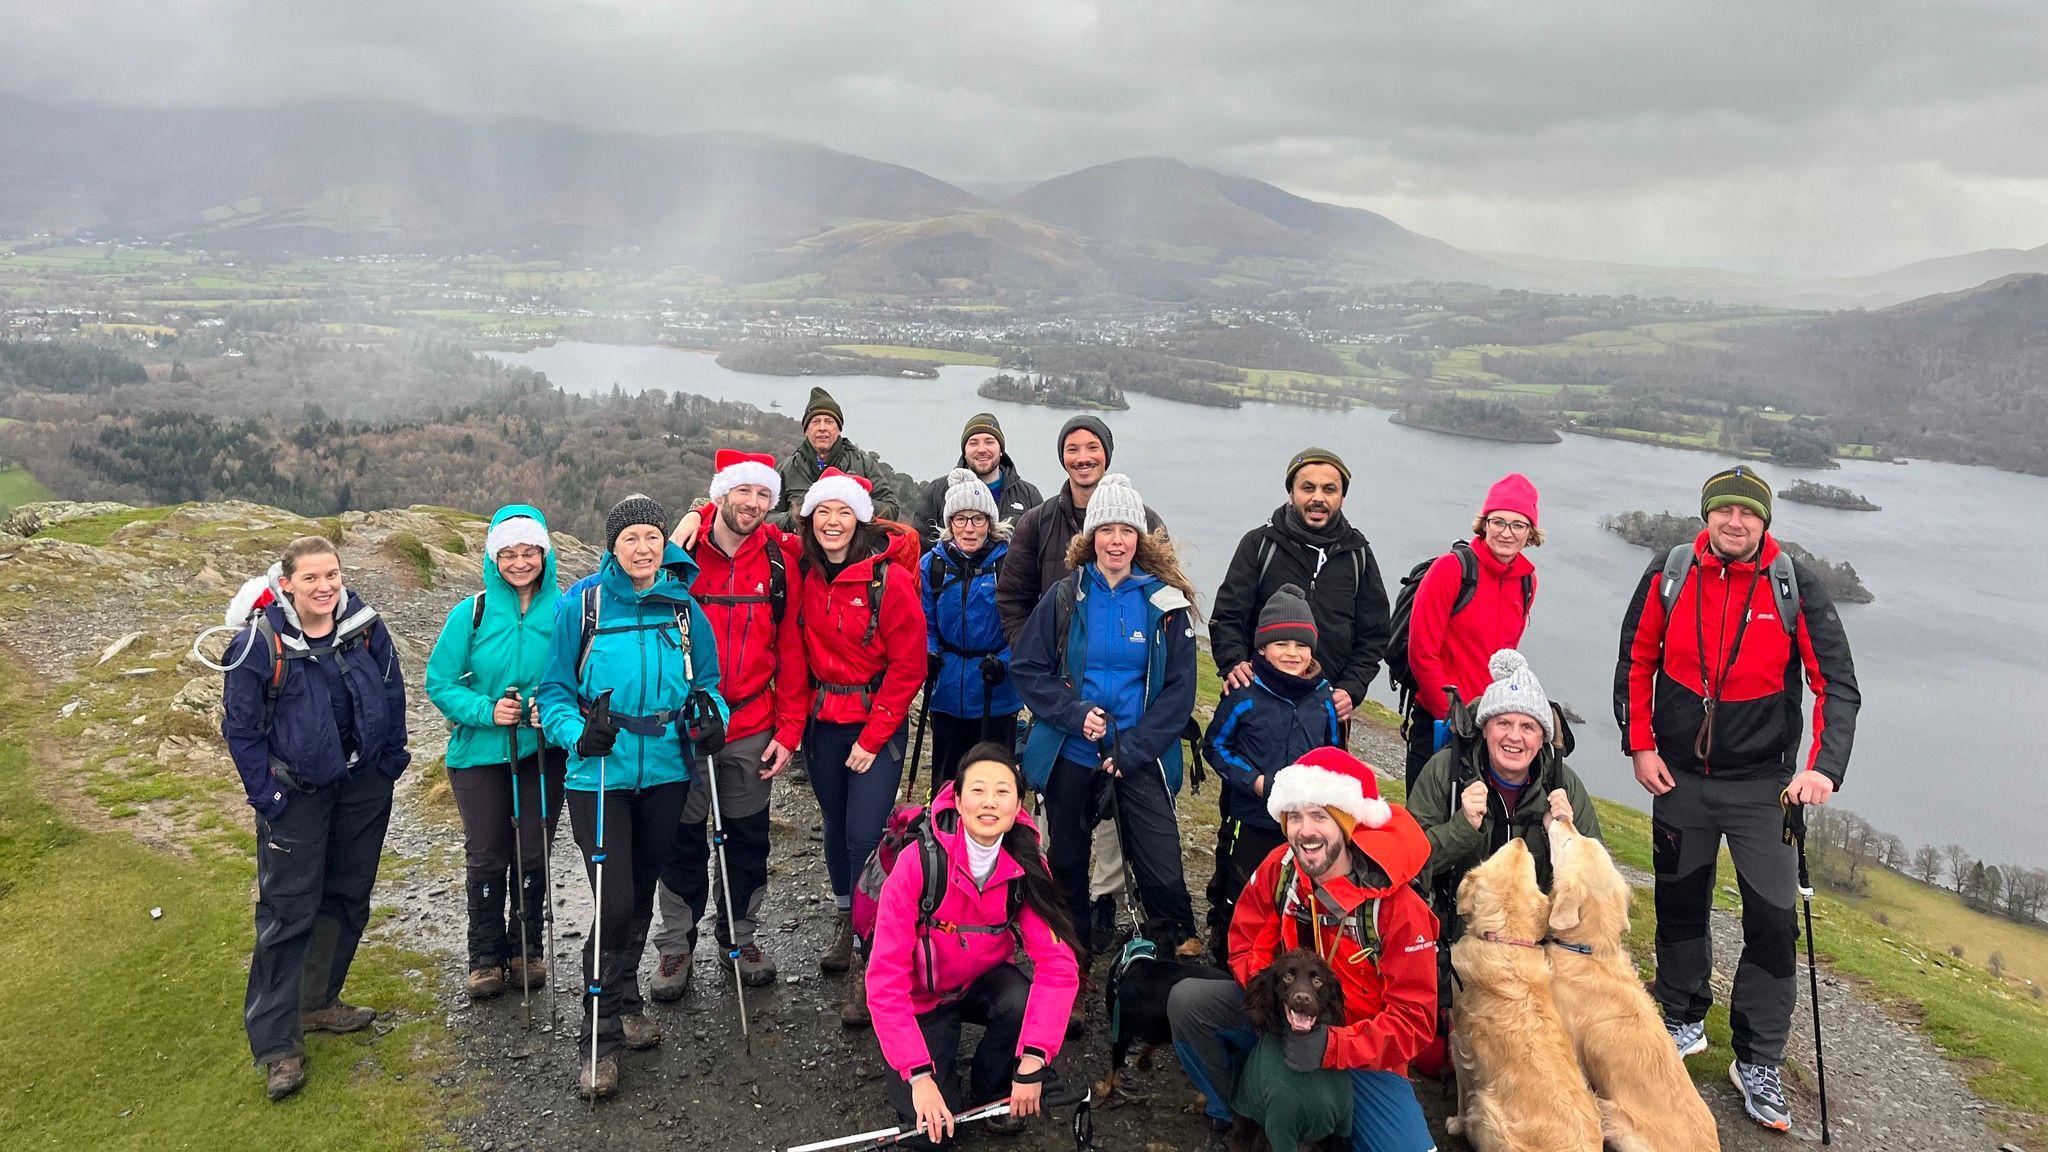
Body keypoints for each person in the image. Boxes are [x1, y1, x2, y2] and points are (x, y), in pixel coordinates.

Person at [1614, 464, 1860, 1133]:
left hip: (1764, 790)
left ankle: (1756, 1057)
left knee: (1774, 924)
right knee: (1680, 904)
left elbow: (1836, 683)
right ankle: (1683, 1017)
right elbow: (1636, 660)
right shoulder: (1669, 573)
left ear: (1764, 521)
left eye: (1747, 514)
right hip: (1681, 781)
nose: (1734, 522)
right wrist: (1640, 744)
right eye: (1722, 511)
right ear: (1707, 516)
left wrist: (1822, 771)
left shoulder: (1793, 584)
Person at [538, 494, 726, 1099]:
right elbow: (554, 691)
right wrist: (577, 734)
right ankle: (601, 1034)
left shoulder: (683, 609)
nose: (643, 548)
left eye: (651, 536)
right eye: (630, 539)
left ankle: (622, 998)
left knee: (640, 896)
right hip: (599, 777)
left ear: (663, 540)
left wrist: (711, 716)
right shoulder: (583, 605)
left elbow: (709, 686)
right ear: (612, 546)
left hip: (668, 771)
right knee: (614, 902)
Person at [1167, 747, 1438, 1152]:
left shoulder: (1398, 908)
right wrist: (1274, 1006)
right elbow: (1242, 942)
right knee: (1189, 1002)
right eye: (1295, 816)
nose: (1305, 831)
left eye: (1320, 816)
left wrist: (1333, 1045)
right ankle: (1242, 1112)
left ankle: (1319, 1110)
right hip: (1282, 1018)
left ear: (1348, 825)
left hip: (1362, 1052)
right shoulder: (1281, 868)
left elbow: (1414, 1020)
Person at [221, 535, 410, 1102]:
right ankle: (279, 1047)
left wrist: (391, 759)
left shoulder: (365, 626)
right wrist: (267, 799)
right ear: (286, 584)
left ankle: (319, 1003)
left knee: (347, 895)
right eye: (310, 578)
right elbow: (242, 729)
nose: (324, 587)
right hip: (295, 795)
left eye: (332, 575)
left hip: (361, 786)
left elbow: (391, 688)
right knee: (287, 912)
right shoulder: (258, 643)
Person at [1010, 474, 1201, 955]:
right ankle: (1069, 958)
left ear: (1139, 538)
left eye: (1127, 531)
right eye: (1107, 530)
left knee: (1160, 862)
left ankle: (1174, 959)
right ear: (1091, 536)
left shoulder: (1165, 604)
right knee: (1067, 860)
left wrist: (1133, 748)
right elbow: (1029, 668)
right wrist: (1074, 714)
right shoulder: (1065, 596)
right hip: (1071, 748)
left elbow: (1179, 694)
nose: (1116, 541)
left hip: (1136, 752)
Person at [995, 414, 1162, 948]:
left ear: (1107, 455)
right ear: (1062, 455)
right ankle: (1060, 903)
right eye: (1073, 448)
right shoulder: (1040, 521)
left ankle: (1104, 898)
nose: (1083, 456)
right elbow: (1013, 595)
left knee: (1113, 807)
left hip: (1123, 695)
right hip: (1055, 688)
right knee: (1057, 800)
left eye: (1093, 447)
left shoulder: (1144, 518)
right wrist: (1037, 657)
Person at [648, 451, 809, 999]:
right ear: (720, 495)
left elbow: (791, 651)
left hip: (752, 725)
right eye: (744, 493)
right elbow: (628, 587)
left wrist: (789, 732)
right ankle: (675, 946)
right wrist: (682, 526)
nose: (754, 504)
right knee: (682, 839)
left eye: (764, 495)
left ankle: (739, 937)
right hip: (686, 727)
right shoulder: (680, 555)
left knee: (747, 839)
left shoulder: (781, 561)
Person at [867, 744, 1083, 1149]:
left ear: (1018, 803)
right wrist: (918, 1076)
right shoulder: (919, 863)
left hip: (980, 982)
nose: (989, 802)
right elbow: (885, 977)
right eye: (978, 790)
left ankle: (993, 1086)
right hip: (920, 999)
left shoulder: (1026, 864)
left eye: (1002, 792)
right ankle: (929, 1065)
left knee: (1019, 998)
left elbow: (1057, 965)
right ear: (958, 800)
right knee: (931, 1139)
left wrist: (1034, 1060)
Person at [789, 468, 928, 1026]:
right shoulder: (805, 571)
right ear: (810, 519)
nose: (832, 522)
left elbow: (909, 664)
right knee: (834, 823)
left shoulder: (887, 582)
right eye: (823, 512)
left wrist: (874, 737)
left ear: (861, 519)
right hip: (824, 722)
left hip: (873, 720)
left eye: (843, 512)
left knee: (866, 836)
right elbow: (732, 520)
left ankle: (875, 957)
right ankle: (848, 922)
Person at [424, 505, 567, 1000]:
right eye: (509, 553)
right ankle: (484, 954)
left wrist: (549, 708)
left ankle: (526, 948)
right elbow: (438, 682)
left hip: (542, 750)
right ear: (494, 557)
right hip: (480, 753)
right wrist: (488, 710)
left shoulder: (566, 609)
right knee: (487, 852)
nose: (520, 562)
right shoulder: (472, 612)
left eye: (530, 552)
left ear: (545, 554)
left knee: (533, 849)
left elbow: (580, 674)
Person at [1201, 583, 1341, 965]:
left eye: (1300, 645)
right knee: (1240, 889)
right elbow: (1214, 747)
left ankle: (1289, 960)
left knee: (1297, 892)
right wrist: (1256, 782)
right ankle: (1227, 959)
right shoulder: (1244, 694)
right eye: (1281, 644)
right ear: (1262, 648)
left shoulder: (1324, 699)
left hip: (1304, 824)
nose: (1292, 654)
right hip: (1251, 818)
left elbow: (1335, 756)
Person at [1209, 447, 1390, 741]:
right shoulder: (1259, 546)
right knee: (1249, 784)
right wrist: (1233, 663)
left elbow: (1375, 636)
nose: (1318, 497)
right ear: (1291, 493)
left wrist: (1352, 688)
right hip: (1256, 705)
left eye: (1329, 489)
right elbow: (1227, 617)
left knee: (1320, 785)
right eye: (1308, 487)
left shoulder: (1358, 556)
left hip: (1326, 712)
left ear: (1342, 497)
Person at [1401, 473, 1542, 787]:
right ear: (1484, 523)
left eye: (1518, 525)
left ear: (1530, 533)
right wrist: (1452, 718)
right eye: (1498, 522)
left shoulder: (1527, 582)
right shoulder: (1451, 570)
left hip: (1489, 725)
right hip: (1440, 722)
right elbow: (1422, 653)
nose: (1507, 533)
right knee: (1428, 825)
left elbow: (1505, 661)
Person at [919, 469, 1021, 793]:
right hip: (947, 690)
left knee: (992, 781)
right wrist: (929, 653)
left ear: (989, 523)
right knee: (948, 780)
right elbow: (925, 621)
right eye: (961, 519)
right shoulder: (932, 566)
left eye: (977, 519)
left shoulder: (1009, 565)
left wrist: (1003, 663)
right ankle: (945, 836)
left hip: (996, 691)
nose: (969, 528)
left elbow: (1021, 626)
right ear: (949, 523)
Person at [773, 386, 900, 530]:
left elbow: (892, 509)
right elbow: (767, 516)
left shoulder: (862, 463)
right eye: (815, 421)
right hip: (800, 550)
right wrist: (794, 518)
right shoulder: (788, 468)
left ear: (839, 429)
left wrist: (856, 503)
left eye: (829, 421)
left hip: (853, 549)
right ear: (806, 429)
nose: (822, 427)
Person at [913, 412, 1044, 551]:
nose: (982, 449)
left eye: (989, 442)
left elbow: (1042, 551)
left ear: (1001, 450)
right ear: (964, 451)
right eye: (973, 443)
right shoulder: (938, 492)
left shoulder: (1029, 496)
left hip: (1010, 573)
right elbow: (920, 549)